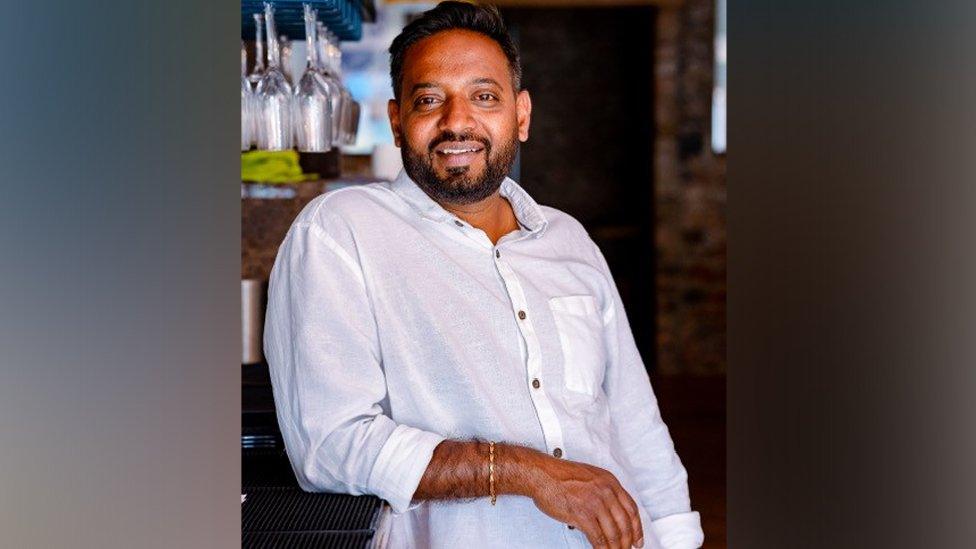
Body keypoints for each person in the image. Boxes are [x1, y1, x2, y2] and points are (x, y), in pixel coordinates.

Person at [264, 2, 704, 548]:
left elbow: (633, 420)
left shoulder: (568, 239)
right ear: (399, 120)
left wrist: (677, 537)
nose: (457, 121)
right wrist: (528, 472)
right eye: (429, 100)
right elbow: (330, 444)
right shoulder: (340, 232)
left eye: (484, 96)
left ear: (521, 116)